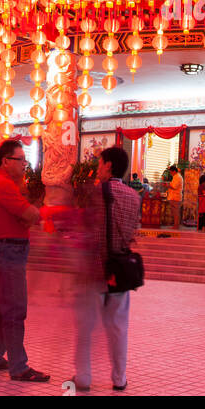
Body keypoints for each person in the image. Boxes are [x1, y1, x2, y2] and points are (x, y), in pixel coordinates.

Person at [72, 145, 141, 393]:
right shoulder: (135, 197)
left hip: (93, 269)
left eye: (100, 163)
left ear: (109, 165)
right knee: (118, 327)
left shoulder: (94, 193)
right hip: (119, 271)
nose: (97, 168)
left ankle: (84, 377)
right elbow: (133, 233)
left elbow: (84, 229)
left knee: (85, 326)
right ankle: (119, 378)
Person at [0, 137, 48, 383]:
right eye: (20, 160)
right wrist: (35, 212)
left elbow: (26, 215)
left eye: (25, 159)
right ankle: (19, 367)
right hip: (8, 253)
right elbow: (29, 214)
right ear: (6, 161)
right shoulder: (3, 184)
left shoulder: (6, 184)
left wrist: (30, 212)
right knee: (14, 311)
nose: (24, 164)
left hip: (5, 251)